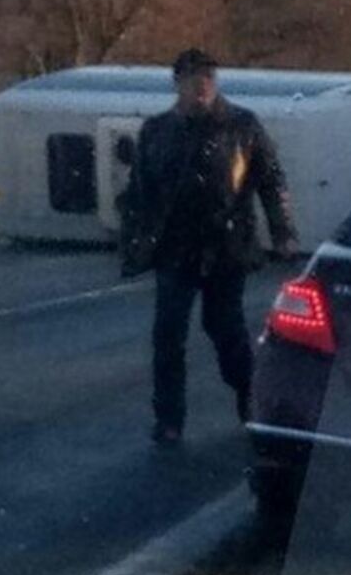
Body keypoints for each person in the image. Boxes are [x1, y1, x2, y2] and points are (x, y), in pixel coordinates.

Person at [119, 49, 298, 446]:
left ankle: (249, 398)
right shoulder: (158, 130)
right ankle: (169, 419)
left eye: (208, 79)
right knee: (168, 334)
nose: (201, 86)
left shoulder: (242, 126)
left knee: (225, 328)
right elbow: (140, 192)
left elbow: (271, 180)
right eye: (193, 79)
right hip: (177, 246)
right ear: (178, 84)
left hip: (225, 244)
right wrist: (134, 240)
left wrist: (282, 231)